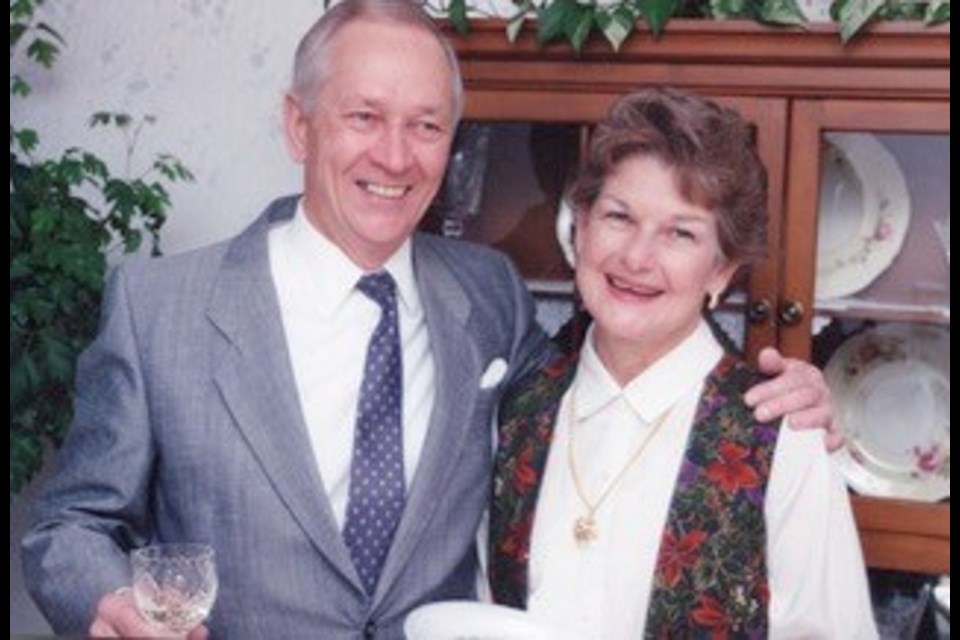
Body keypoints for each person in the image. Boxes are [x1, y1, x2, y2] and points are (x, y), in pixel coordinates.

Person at [21, 3, 834, 638]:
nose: (396, 157)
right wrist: (111, 597)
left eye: (426, 126)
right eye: (364, 117)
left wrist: (771, 397)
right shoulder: (162, 307)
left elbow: (624, 364)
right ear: (299, 125)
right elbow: (70, 523)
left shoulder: (488, 294)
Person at [487, 87, 877, 638]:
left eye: (681, 233)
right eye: (620, 216)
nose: (637, 258)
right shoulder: (518, 412)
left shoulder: (780, 436)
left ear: (722, 270)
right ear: (582, 224)